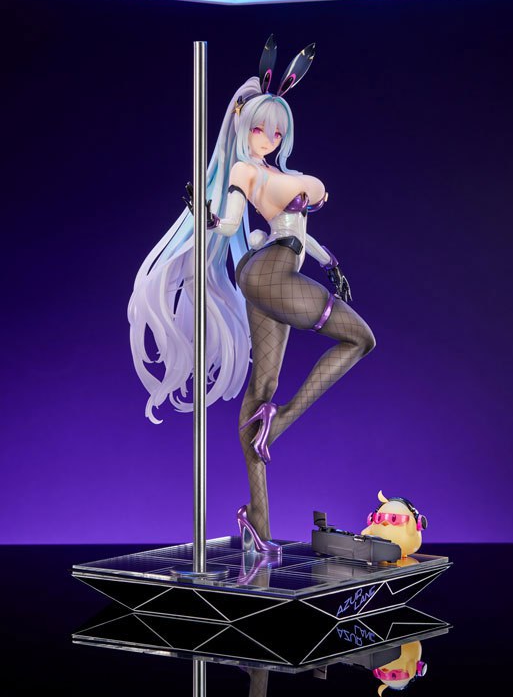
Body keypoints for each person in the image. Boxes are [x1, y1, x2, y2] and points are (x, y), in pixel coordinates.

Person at [128, 36, 375, 557]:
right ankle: (278, 423)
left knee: (262, 388)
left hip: (272, 269)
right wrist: (207, 217)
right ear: (243, 125)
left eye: (277, 131)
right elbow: (231, 223)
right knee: (359, 338)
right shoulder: (245, 171)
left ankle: (257, 519)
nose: (268, 137)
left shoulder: (281, 174)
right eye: (261, 128)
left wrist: (332, 265)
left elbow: (298, 235)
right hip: (267, 272)